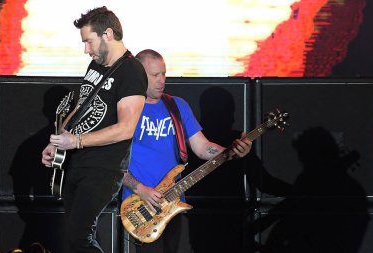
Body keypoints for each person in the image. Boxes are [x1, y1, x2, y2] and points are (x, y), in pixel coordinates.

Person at [121, 49, 253, 253]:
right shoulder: (125, 107)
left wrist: (232, 151)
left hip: (172, 204)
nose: (161, 80)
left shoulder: (176, 106)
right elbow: (109, 162)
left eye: (164, 73)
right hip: (139, 206)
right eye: (155, 75)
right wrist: (140, 189)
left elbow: (202, 148)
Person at [41, 6, 148, 253]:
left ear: (107, 33)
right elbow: (80, 106)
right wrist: (56, 142)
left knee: (79, 238)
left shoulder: (132, 71)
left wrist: (76, 141)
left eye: (88, 41)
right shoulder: (97, 65)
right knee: (71, 238)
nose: (86, 49)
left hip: (103, 168)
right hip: (77, 161)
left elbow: (126, 129)